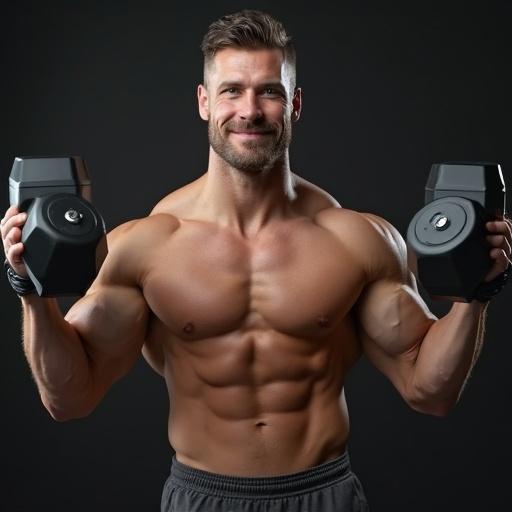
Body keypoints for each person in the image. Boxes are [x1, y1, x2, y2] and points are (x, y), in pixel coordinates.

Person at [1, 9, 511, 512]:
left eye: (270, 90)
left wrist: (476, 297)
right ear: (204, 102)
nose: (250, 110)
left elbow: (429, 390)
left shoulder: (356, 241)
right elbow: (70, 399)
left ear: (295, 105)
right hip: (203, 496)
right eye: (231, 90)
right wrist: (32, 292)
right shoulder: (146, 247)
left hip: (323, 494)